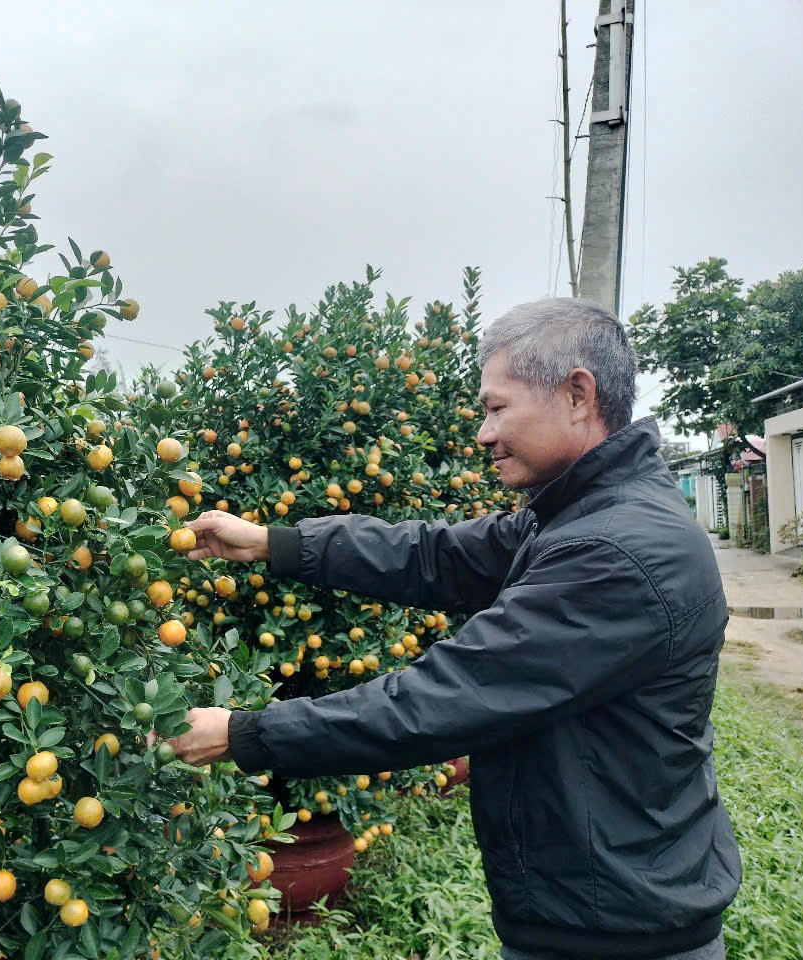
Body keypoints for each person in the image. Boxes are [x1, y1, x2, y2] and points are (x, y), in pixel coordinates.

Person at [159, 298, 741, 960]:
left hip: (619, 936)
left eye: (497, 408)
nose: (484, 434)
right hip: (602, 907)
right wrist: (272, 543)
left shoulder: (616, 550)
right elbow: (434, 555)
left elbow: (442, 700)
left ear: (578, 395)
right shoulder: (580, 517)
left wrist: (244, 733)